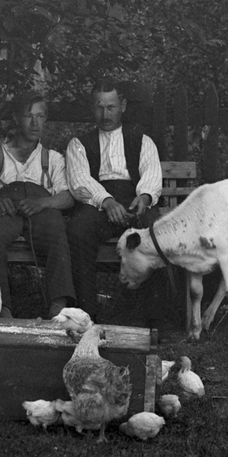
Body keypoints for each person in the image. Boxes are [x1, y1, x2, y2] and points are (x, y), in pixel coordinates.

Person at [65, 79, 177, 333]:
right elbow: (80, 180)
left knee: (156, 233)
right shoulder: (79, 144)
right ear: (92, 108)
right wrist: (106, 201)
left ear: (123, 106)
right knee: (78, 232)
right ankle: (87, 316)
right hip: (98, 202)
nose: (105, 115)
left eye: (111, 107)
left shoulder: (142, 139)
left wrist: (146, 197)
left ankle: (156, 319)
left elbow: (151, 172)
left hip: (135, 198)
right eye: (99, 107)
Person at [0, 92, 75, 318]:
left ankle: (59, 308)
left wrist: (42, 203)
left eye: (40, 116)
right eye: (28, 116)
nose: (35, 123)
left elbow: (67, 197)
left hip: (40, 209)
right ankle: (0, 308)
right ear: (17, 119)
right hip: (5, 209)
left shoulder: (52, 159)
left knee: (57, 229)